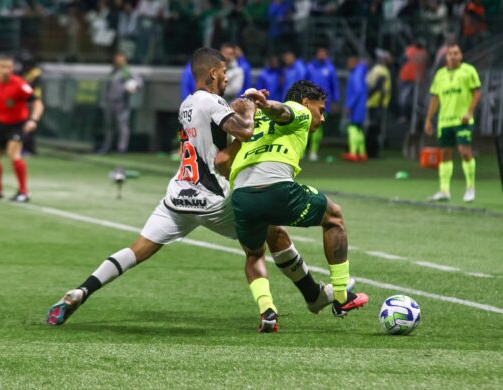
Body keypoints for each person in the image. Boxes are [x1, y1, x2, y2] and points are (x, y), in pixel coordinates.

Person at [47, 48, 333, 333]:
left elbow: (216, 140)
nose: (225, 79)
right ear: (212, 73)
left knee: (135, 251)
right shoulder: (211, 102)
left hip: (179, 196)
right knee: (271, 233)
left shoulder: (186, 104)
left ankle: (81, 291)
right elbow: (244, 132)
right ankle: (303, 298)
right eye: (223, 74)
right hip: (213, 200)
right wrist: (250, 109)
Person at [228, 81, 369, 318]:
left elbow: (222, 160)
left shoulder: (253, 120)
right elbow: (282, 111)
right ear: (306, 102)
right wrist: (267, 104)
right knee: (334, 217)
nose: (322, 118)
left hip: (241, 196)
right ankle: (342, 298)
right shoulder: (300, 110)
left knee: (257, 251)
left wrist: (257, 106)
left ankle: (268, 310)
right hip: (276, 190)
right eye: (321, 110)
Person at [0, 54, 44, 203]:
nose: (6, 70)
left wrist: (33, 120)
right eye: (2, 66)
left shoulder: (21, 85)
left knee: (13, 153)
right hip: (0, 124)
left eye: (9, 67)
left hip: (18, 124)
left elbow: (38, 103)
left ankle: (23, 192)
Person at [424, 44, 481, 203]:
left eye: (456, 53)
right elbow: (435, 98)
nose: (453, 56)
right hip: (445, 121)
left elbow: (477, 93)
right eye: (450, 54)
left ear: (461, 55)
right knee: (445, 155)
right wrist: (429, 119)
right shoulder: (440, 75)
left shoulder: (468, 71)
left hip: (462, 120)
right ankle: (444, 191)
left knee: (464, 151)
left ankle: (470, 187)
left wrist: (469, 112)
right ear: (446, 56)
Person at [99, 51, 142, 154]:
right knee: (109, 126)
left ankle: (122, 148)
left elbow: (139, 82)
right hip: (109, 102)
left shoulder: (127, 71)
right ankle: (107, 147)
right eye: (117, 59)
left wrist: (133, 87)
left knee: (122, 126)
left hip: (122, 103)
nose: (119, 61)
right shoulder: (113, 71)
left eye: (121, 59)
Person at [305, 47, 340, 161]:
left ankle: (313, 152)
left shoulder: (330, 69)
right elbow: (304, 84)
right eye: (320, 53)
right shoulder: (310, 67)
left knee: (318, 127)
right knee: (305, 126)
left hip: (323, 103)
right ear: (316, 54)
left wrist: (335, 100)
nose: (322, 55)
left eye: (324, 53)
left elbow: (334, 86)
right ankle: (302, 150)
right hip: (309, 102)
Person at [365, 49, 392, 158]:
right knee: (375, 129)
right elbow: (377, 86)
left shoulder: (374, 70)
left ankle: (368, 150)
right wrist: (375, 98)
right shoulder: (382, 71)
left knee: (372, 128)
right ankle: (372, 152)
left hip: (372, 103)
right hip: (377, 103)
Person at [342, 55, 368, 162]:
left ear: (355, 62)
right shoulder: (359, 72)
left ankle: (353, 153)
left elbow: (357, 91)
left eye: (350, 62)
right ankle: (362, 153)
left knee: (352, 128)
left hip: (356, 106)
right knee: (358, 129)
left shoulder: (356, 74)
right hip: (360, 105)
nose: (348, 65)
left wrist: (349, 105)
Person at [18, 51, 43, 156]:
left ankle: (29, 149)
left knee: (30, 126)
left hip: (34, 100)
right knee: (23, 126)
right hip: (25, 101)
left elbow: (30, 86)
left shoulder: (36, 72)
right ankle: (24, 147)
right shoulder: (24, 72)